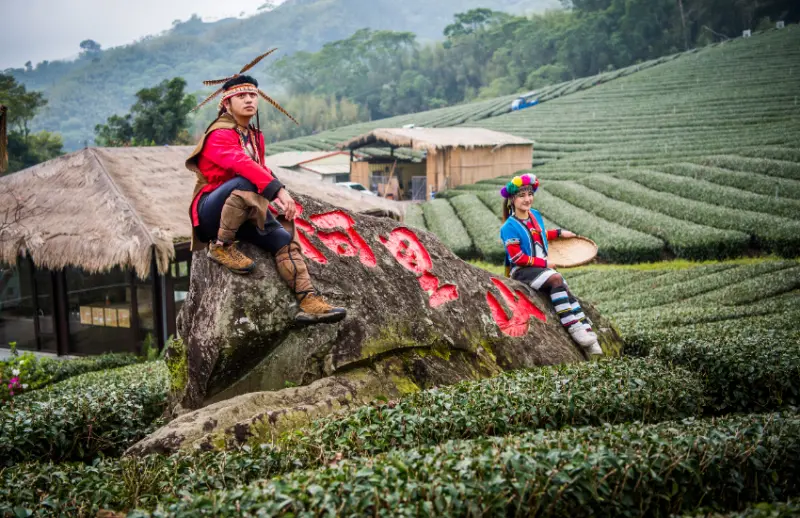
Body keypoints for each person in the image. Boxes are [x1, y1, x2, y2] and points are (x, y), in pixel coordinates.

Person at [184, 60, 346, 325]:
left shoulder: (254, 136)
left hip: (244, 208)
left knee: (284, 240)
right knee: (245, 180)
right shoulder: (218, 134)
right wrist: (279, 192)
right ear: (227, 104)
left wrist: (279, 194)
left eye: (253, 95)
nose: (249, 100)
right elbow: (244, 166)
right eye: (241, 96)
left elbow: (262, 169)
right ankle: (221, 246)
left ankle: (308, 301)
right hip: (211, 211)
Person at [499, 173, 602, 355]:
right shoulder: (509, 227)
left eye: (530, 194)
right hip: (523, 271)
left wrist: (560, 233)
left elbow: (538, 235)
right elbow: (517, 258)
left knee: (565, 289)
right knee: (556, 279)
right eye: (522, 196)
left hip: (539, 268)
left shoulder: (535, 215)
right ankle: (574, 329)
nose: (527, 199)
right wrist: (544, 262)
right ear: (512, 200)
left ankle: (587, 332)